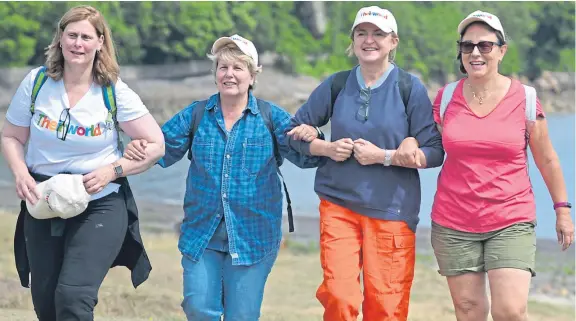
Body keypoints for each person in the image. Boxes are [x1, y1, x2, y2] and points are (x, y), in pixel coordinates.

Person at [123, 34, 318, 321]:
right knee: (199, 309)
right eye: (222, 67)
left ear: (252, 76)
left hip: (254, 236)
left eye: (238, 68)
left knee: (242, 315)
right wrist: (137, 146)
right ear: (215, 74)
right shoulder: (197, 114)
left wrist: (314, 135)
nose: (229, 74)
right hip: (202, 234)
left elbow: (307, 156)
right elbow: (160, 150)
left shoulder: (271, 117)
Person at [1, 5, 165, 321]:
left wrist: (112, 171)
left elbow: (156, 145)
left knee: (73, 297)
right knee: (46, 306)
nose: (78, 43)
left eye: (86, 37)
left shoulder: (113, 90)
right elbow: (11, 137)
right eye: (72, 35)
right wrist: (20, 173)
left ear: (100, 42)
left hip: (99, 203)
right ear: (60, 39)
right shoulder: (36, 83)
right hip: (43, 200)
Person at [285, 6, 444, 321]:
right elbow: (292, 134)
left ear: (393, 41)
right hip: (338, 206)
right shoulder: (337, 84)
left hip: (392, 212)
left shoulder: (409, 88)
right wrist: (326, 147)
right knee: (340, 298)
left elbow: (435, 151)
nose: (369, 40)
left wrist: (387, 156)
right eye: (362, 33)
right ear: (353, 40)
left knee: (385, 309)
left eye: (378, 34)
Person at [430, 10, 575, 321]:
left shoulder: (524, 99)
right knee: (469, 312)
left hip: (511, 217)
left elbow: (547, 158)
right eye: (467, 46)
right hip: (454, 220)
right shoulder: (445, 98)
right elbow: (430, 150)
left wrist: (562, 210)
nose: (475, 53)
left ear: (501, 50)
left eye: (485, 45)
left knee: (510, 311)